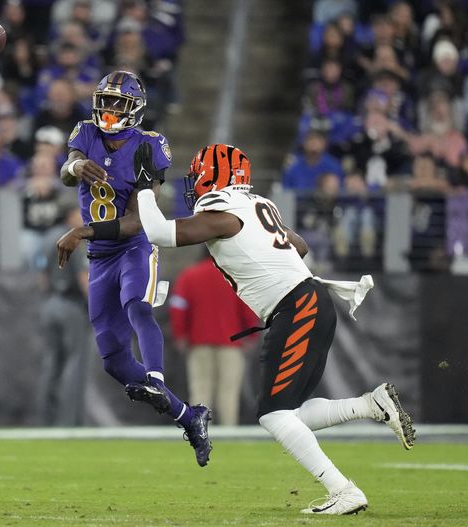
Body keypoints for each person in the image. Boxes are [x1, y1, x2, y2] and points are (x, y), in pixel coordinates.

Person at [135, 143, 416, 514]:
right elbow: (297, 245)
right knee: (288, 411)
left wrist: (143, 186)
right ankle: (370, 404)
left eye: (199, 175)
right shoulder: (257, 206)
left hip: (296, 306)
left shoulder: (225, 214)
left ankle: (343, 490)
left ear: (213, 176)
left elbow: (156, 231)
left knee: (274, 414)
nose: (195, 184)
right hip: (310, 302)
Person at [55, 70, 212, 467]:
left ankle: (156, 378)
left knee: (137, 306)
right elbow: (67, 166)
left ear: (135, 109)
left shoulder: (149, 146)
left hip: (132, 246)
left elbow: (136, 221)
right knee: (111, 357)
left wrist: (82, 230)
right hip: (99, 257)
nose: (108, 110)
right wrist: (75, 169)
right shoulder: (85, 132)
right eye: (104, 102)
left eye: (117, 104)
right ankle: (188, 416)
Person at [169, 252, 260, 426]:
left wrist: (180, 335)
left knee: (200, 390)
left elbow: (178, 307)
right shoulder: (234, 276)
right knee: (228, 392)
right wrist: (251, 335)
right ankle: (228, 433)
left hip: (198, 344)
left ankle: (200, 433)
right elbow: (249, 306)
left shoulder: (189, 275)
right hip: (231, 344)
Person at [37, 202, 93, 426]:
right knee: (75, 364)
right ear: (71, 215)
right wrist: (97, 308)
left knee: (51, 363)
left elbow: (41, 278)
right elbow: (83, 280)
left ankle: (46, 420)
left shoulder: (49, 239)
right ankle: (69, 422)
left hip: (50, 303)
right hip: (71, 305)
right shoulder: (74, 240)